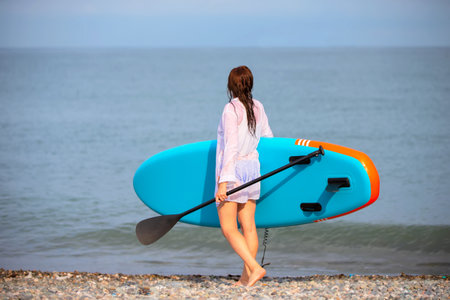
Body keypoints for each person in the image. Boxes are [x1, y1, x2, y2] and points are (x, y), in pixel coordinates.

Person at [215, 66, 273, 287]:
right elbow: (268, 139)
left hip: (234, 172)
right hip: (252, 169)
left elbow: (230, 147)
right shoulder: (258, 106)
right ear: (250, 84)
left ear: (231, 86)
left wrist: (223, 183)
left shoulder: (231, 109)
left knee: (229, 228)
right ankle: (245, 278)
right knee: (248, 226)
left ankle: (255, 267)